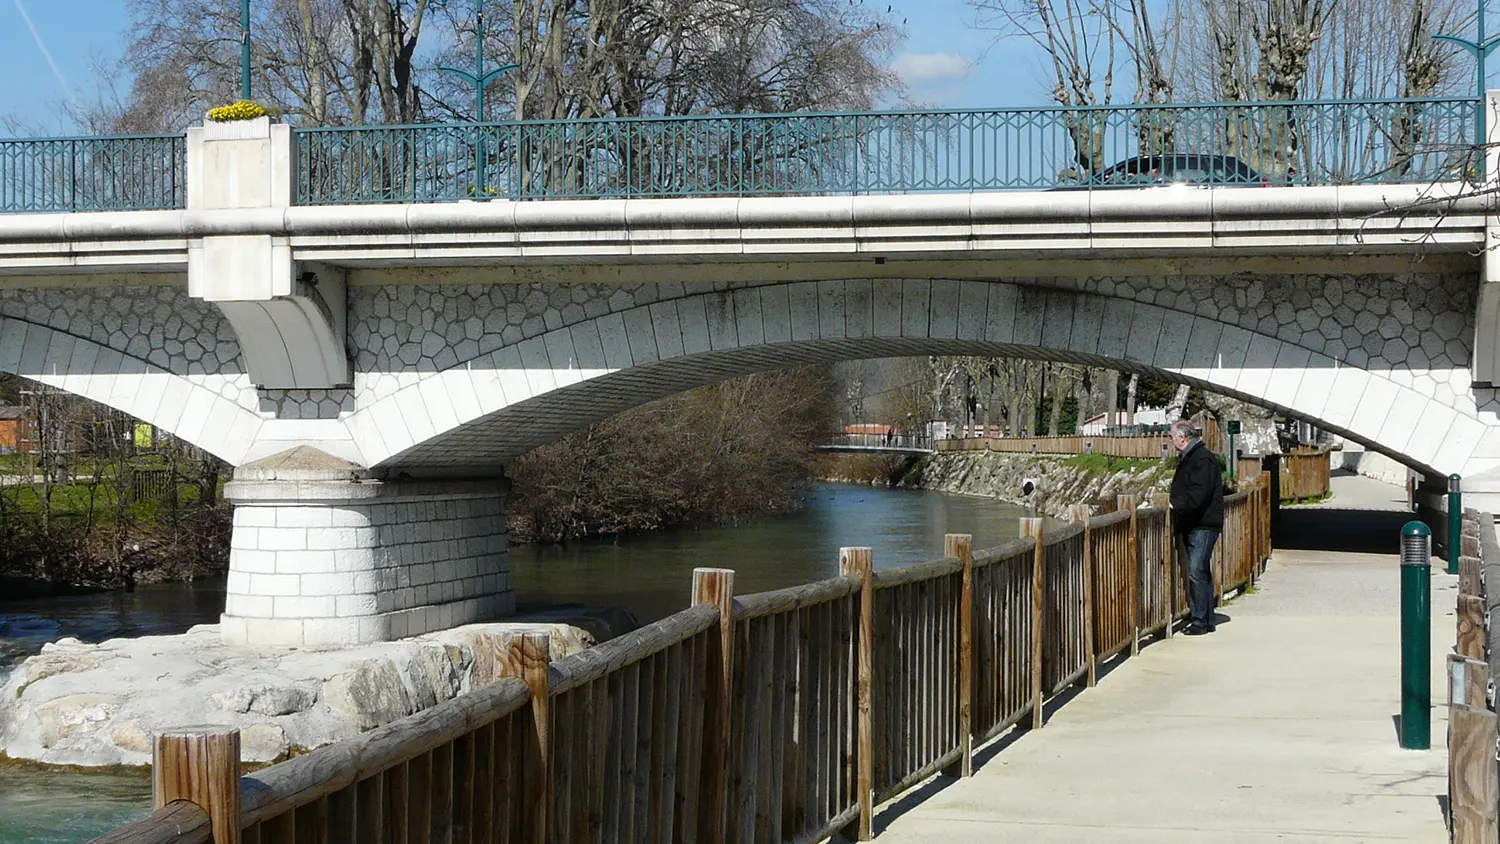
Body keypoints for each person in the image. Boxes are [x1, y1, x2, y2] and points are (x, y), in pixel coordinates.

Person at [1169, 418, 1225, 635]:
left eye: (1173, 436)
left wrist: (1177, 505)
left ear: (1182, 438)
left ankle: (1200, 621)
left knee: (1196, 570)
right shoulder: (1192, 456)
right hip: (1195, 523)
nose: (1171, 440)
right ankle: (1205, 618)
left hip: (1203, 523)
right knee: (1200, 571)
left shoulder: (1201, 459)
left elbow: (1199, 493)